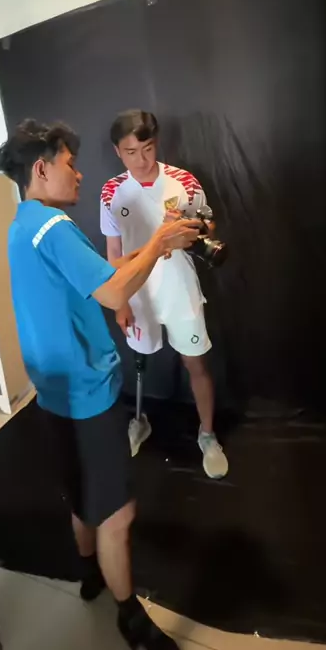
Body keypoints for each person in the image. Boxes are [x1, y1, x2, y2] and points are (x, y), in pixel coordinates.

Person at [0, 118, 200, 650]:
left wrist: (155, 245)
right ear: (42, 169)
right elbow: (113, 294)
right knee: (118, 513)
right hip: (88, 393)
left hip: (54, 389)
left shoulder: (25, 223)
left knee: (81, 491)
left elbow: (101, 274)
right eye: (70, 163)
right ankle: (131, 619)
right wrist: (159, 244)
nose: (80, 174)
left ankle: (90, 571)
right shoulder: (54, 228)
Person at [100, 109, 228, 479]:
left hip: (179, 289)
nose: (141, 160)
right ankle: (140, 420)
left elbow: (209, 225)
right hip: (137, 292)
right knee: (139, 358)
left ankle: (208, 435)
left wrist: (193, 227)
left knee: (195, 363)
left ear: (156, 144)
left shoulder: (183, 182)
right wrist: (120, 302)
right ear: (117, 151)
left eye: (148, 149)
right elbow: (113, 251)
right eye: (130, 152)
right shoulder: (111, 191)